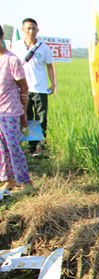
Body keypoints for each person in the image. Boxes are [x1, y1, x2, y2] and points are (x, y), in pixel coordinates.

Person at [12, 18, 55, 156]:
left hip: (40, 89)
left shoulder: (44, 48)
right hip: (23, 89)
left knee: (41, 117)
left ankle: (42, 146)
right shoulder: (17, 46)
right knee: (28, 118)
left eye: (33, 28)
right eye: (28, 28)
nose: (31, 31)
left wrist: (53, 84)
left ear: (37, 30)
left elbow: (49, 67)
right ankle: (31, 146)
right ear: (23, 30)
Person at [0, 25, 33, 193]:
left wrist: (23, 115)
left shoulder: (12, 60)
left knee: (13, 146)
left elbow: (24, 88)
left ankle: (25, 182)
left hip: (10, 111)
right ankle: (8, 179)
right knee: (1, 148)